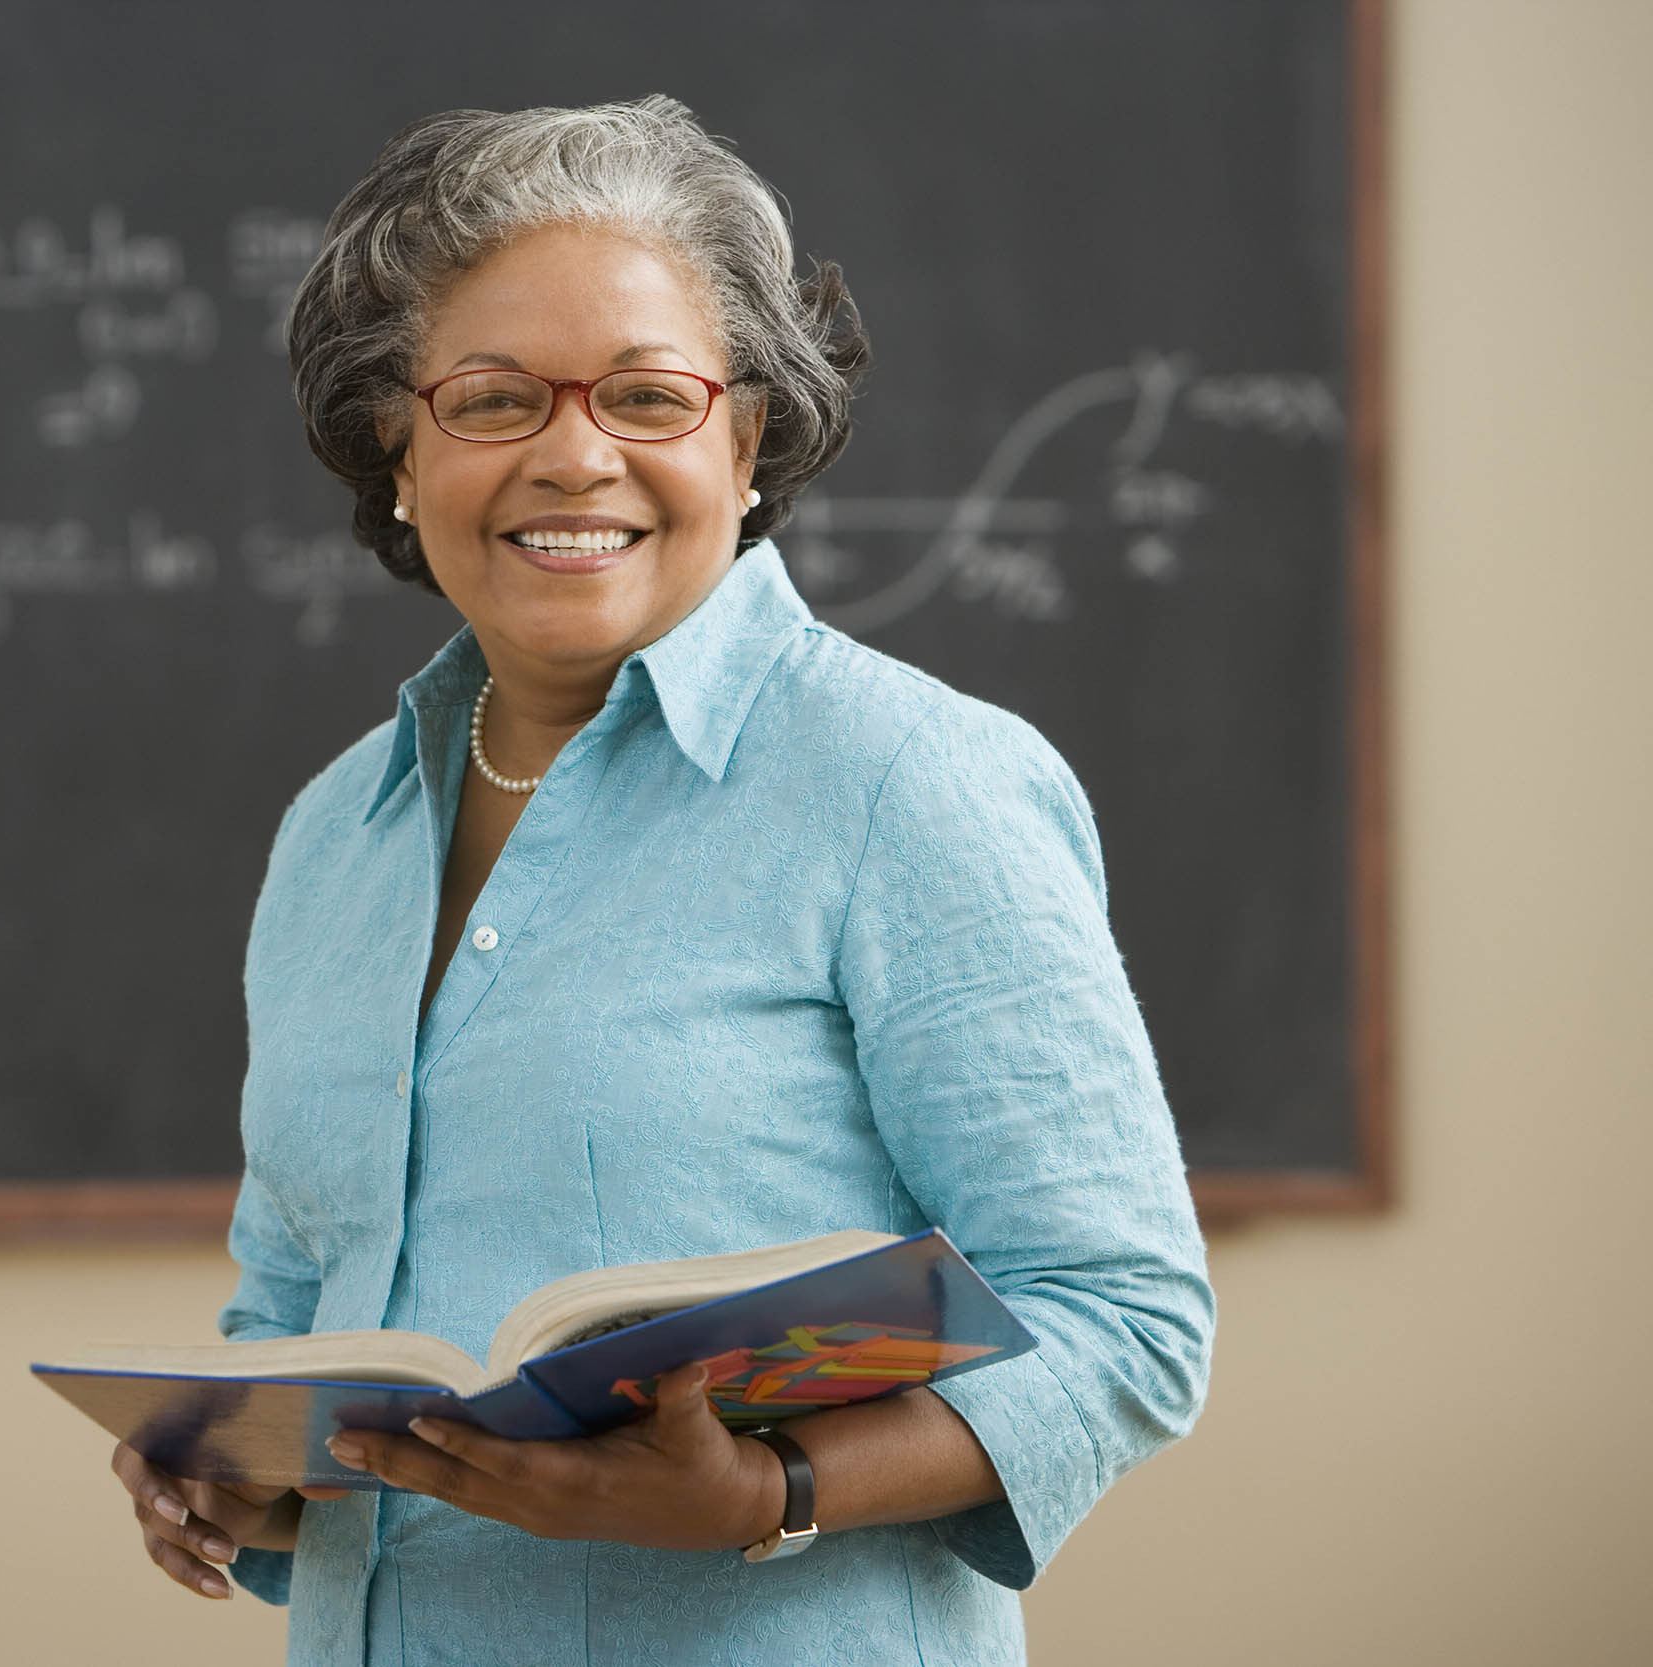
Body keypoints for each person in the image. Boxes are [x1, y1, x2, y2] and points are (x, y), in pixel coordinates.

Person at [109, 95, 1212, 1665]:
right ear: (397, 453)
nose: (576, 455)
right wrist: (232, 1477)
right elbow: (293, 1319)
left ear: (747, 442)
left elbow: (1125, 1327)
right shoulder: (333, 837)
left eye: (646, 396)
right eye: (493, 400)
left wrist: (767, 1492)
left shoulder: (911, 784)